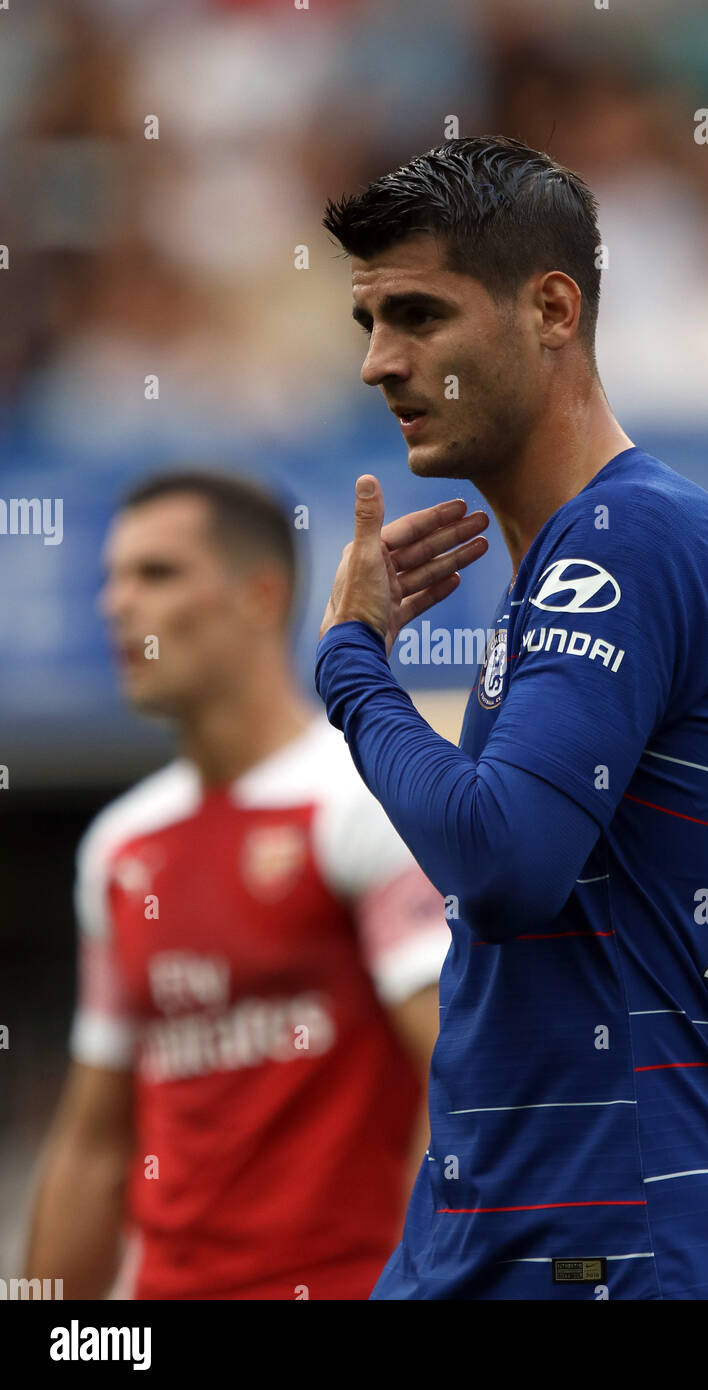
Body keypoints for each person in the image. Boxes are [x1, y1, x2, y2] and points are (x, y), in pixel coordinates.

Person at [314, 135, 708, 1299]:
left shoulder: (628, 537)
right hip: (509, 1223)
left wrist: (348, 666)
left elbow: (503, 858)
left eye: (419, 315)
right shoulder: (567, 567)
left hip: (621, 1241)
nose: (380, 363)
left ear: (549, 308)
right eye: (368, 323)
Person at [26, 470, 451, 1300]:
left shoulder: (362, 804)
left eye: (156, 574)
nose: (117, 605)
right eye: (112, 579)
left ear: (260, 595)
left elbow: (459, 1084)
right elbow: (93, 1145)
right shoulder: (121, 848)